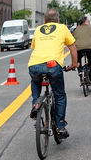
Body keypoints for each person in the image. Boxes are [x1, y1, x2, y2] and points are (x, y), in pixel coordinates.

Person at [28, 9, 78, 138]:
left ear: (45, 20)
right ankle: (60, 126)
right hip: (53, 65)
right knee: (60, 95)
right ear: (58, 19)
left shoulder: (39, 29)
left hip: (34, 65)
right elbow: (72, 47)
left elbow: (34, 47)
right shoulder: (62, 28)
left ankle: (36, 104)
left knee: (35, 81)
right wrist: (74, 64)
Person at [72, 16, 91, 83]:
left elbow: (73, 41)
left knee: (78, 61)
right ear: (85, 21)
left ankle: (80, 73)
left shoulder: (76, 29)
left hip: (79, 49)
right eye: (88, 21)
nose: (88, 22)